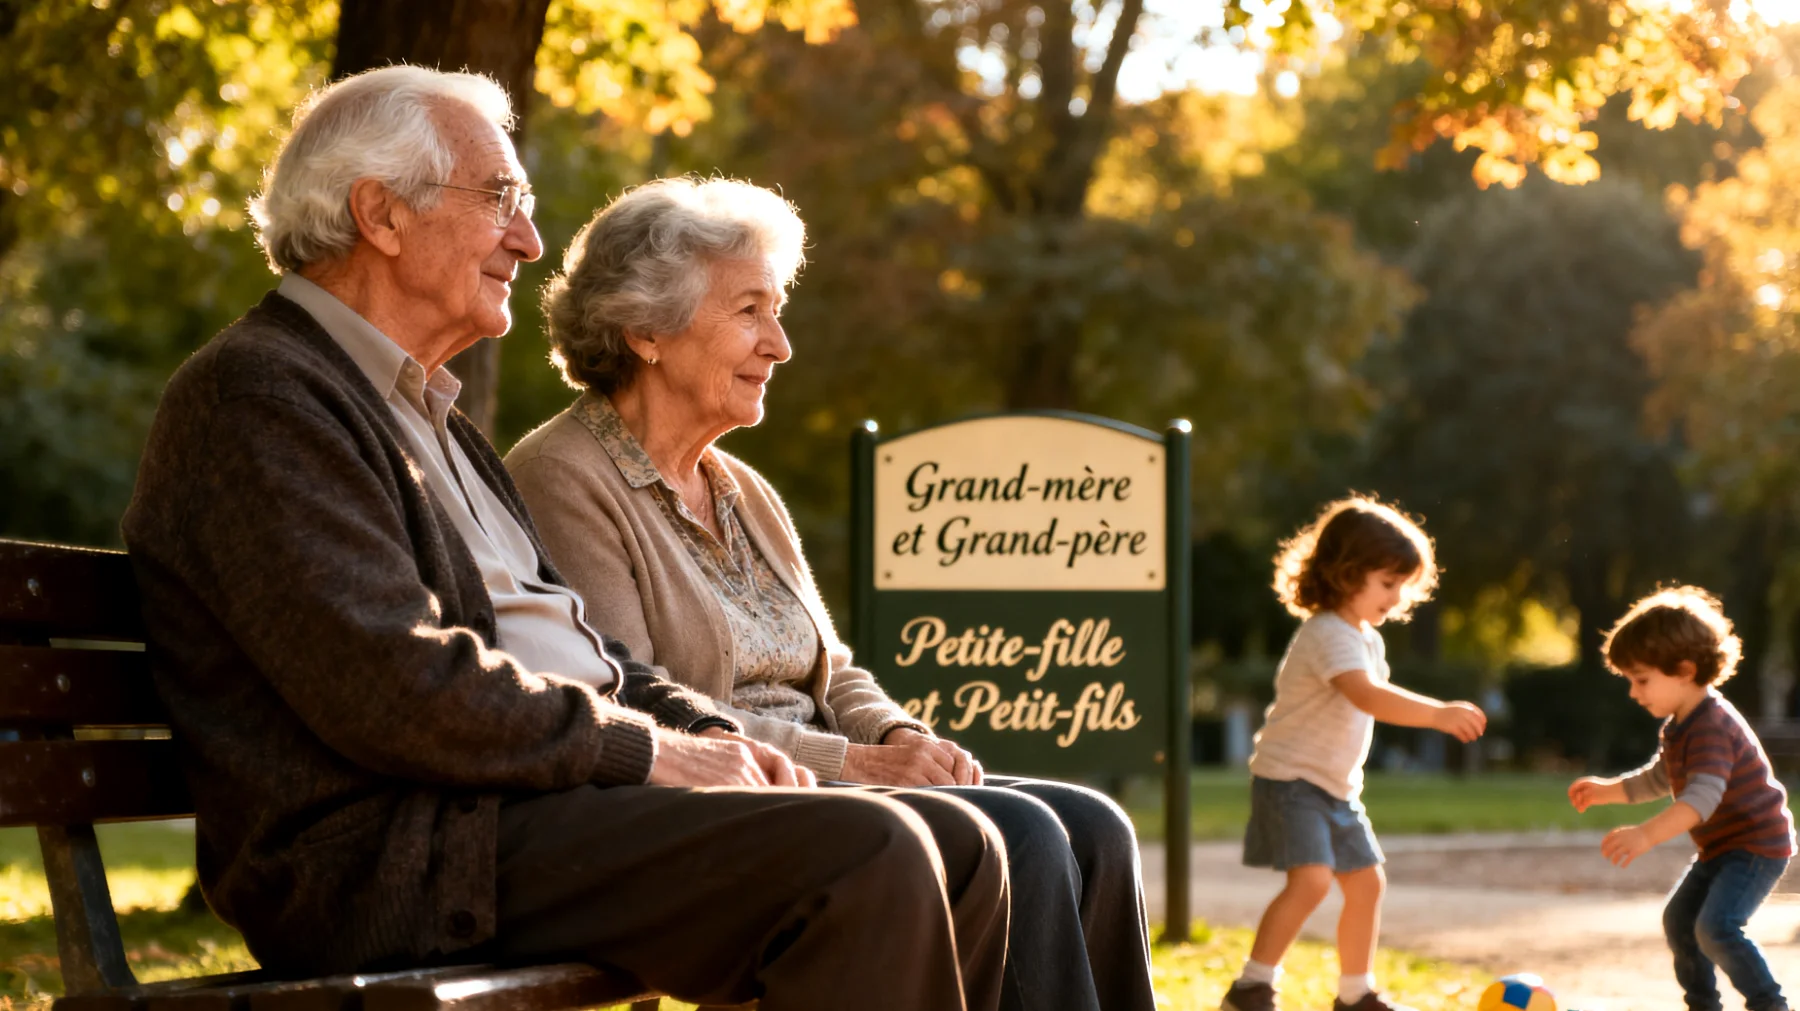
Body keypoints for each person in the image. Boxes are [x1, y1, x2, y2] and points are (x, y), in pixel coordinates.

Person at [120, 65, 1009, 1011]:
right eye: (500, 198)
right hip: (403, 852)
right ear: (380, 214)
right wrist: (650, 752)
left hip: (522, 809)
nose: (530, 239)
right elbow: (387, 684)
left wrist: (706, 732)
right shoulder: (262, 396)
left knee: (963, 837)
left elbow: (595, 656)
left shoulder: (435, 419)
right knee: (871, 854)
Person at [504, 176, 1156, 1011]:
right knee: (1023, 832)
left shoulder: (740, 487)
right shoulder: (563, 478)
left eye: (777, 312)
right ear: (645, 330)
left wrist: (896, 731)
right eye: (749, 312)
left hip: (836, 780)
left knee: (1095, 824)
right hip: (723, 798)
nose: (779, 344)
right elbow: (636, 700)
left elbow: (829, 664)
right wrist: (852, 761)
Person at [1219, 497, 1486, 1011]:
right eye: (1388, 583)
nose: (1397, 596)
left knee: (1366, 884)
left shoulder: (1365, 638)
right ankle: (1251, 986)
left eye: (1402, 585)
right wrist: (1437, 714)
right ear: (1345, 574)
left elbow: (1373, 697)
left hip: (1336, 788)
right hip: (1292, 781)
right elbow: (1366, 696)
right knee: (1313, 881)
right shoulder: (1326, 634)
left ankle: (1355, 994)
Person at [1569, 587, 1794, 1011]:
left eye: (1641, 680)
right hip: (1721, 847)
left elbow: (1700, 798)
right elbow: (1660, 778)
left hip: (1755, 846)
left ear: (1685, 670)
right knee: (1680, 922)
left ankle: (1770, 1004)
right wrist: (1608, 790)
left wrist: (1646, 835)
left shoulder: (1711, 726)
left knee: (1717, 927)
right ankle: (1702, 1004)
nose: (1635, 693)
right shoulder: (1680, 724)